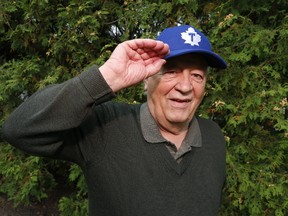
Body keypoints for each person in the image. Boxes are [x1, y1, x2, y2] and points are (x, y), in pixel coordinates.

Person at [2, 25, 227, 216]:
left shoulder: (213, 136)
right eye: (171, 72)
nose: (186, 87)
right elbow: (18, 129)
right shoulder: (105, 127)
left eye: (197, 75)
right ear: (146, 80)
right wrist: (105, 78)